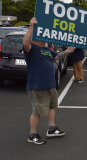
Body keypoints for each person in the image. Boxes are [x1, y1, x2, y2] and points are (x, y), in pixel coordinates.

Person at [23, 17, 76, 145]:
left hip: (50, 85)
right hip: (37, 86)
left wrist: (67, 51)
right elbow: (25, 43)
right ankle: (32, 135)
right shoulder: (32, 49)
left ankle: (52, 129)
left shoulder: (47, 50)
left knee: (52, 106)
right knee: (37, 111)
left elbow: (57, 57)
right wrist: (31, 27)